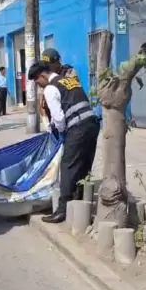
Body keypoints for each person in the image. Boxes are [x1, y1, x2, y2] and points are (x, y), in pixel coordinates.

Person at [28, 61, 100, 224]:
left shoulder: (51, 88)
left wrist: (59, 133)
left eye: (37, 82)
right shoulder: (69, 80)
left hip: (77, 127)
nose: (39, 86)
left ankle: (62, 210)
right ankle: (80, 202)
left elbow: (59, 118)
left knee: (68, 165)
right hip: (92, 124)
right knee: (84, 164)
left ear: (42, 76)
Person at [38, 48, 79, 125]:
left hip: (71, 116)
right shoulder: (44, 76)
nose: (46, 67)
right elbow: (41, 103)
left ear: (57, 63)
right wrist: (45, 121)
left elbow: (75, 95)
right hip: (54, 118)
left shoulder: (69, 73)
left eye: (48, 65)